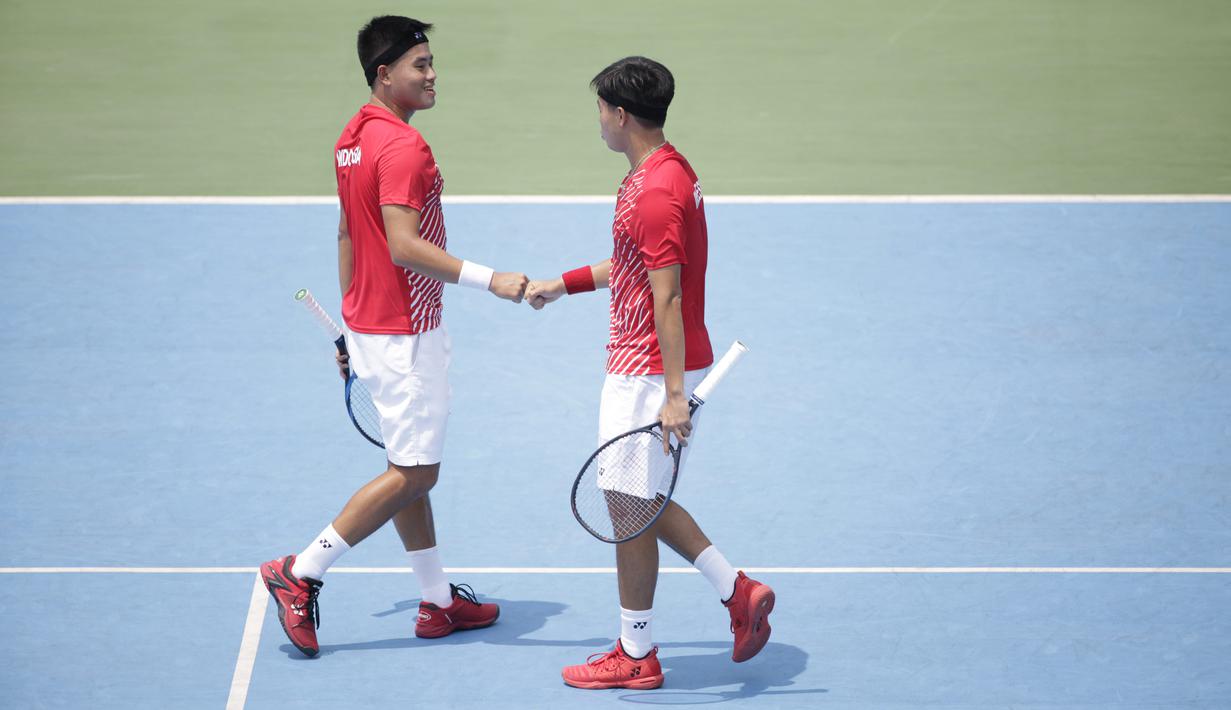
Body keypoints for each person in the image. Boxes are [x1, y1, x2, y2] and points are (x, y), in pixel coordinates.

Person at [260, 15, 526, 658]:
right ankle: (301, 572)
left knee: (408, 469)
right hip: (405, 333)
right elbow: (404, 246)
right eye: (420, 65)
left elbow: (348, 233)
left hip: (373, 324)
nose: (433, 75)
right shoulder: (405, 147)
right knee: (414, 472)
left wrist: (350, 326)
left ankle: (437, 603)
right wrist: (492, 279)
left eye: (431, 63)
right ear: (385, 74)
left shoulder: (351, 138)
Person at [525, 56, 776, 690]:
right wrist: (563, 284)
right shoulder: (665, 171)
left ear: (621, 115)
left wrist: (673, 394)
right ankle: (735, 592)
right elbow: (632, 264)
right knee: (636, 499)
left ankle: (638, 653)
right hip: (644, 364)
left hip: (647, 370)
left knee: (629, 506)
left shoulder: (656, 191)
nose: (598, 122)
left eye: (600, 111)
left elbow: (666, 295)